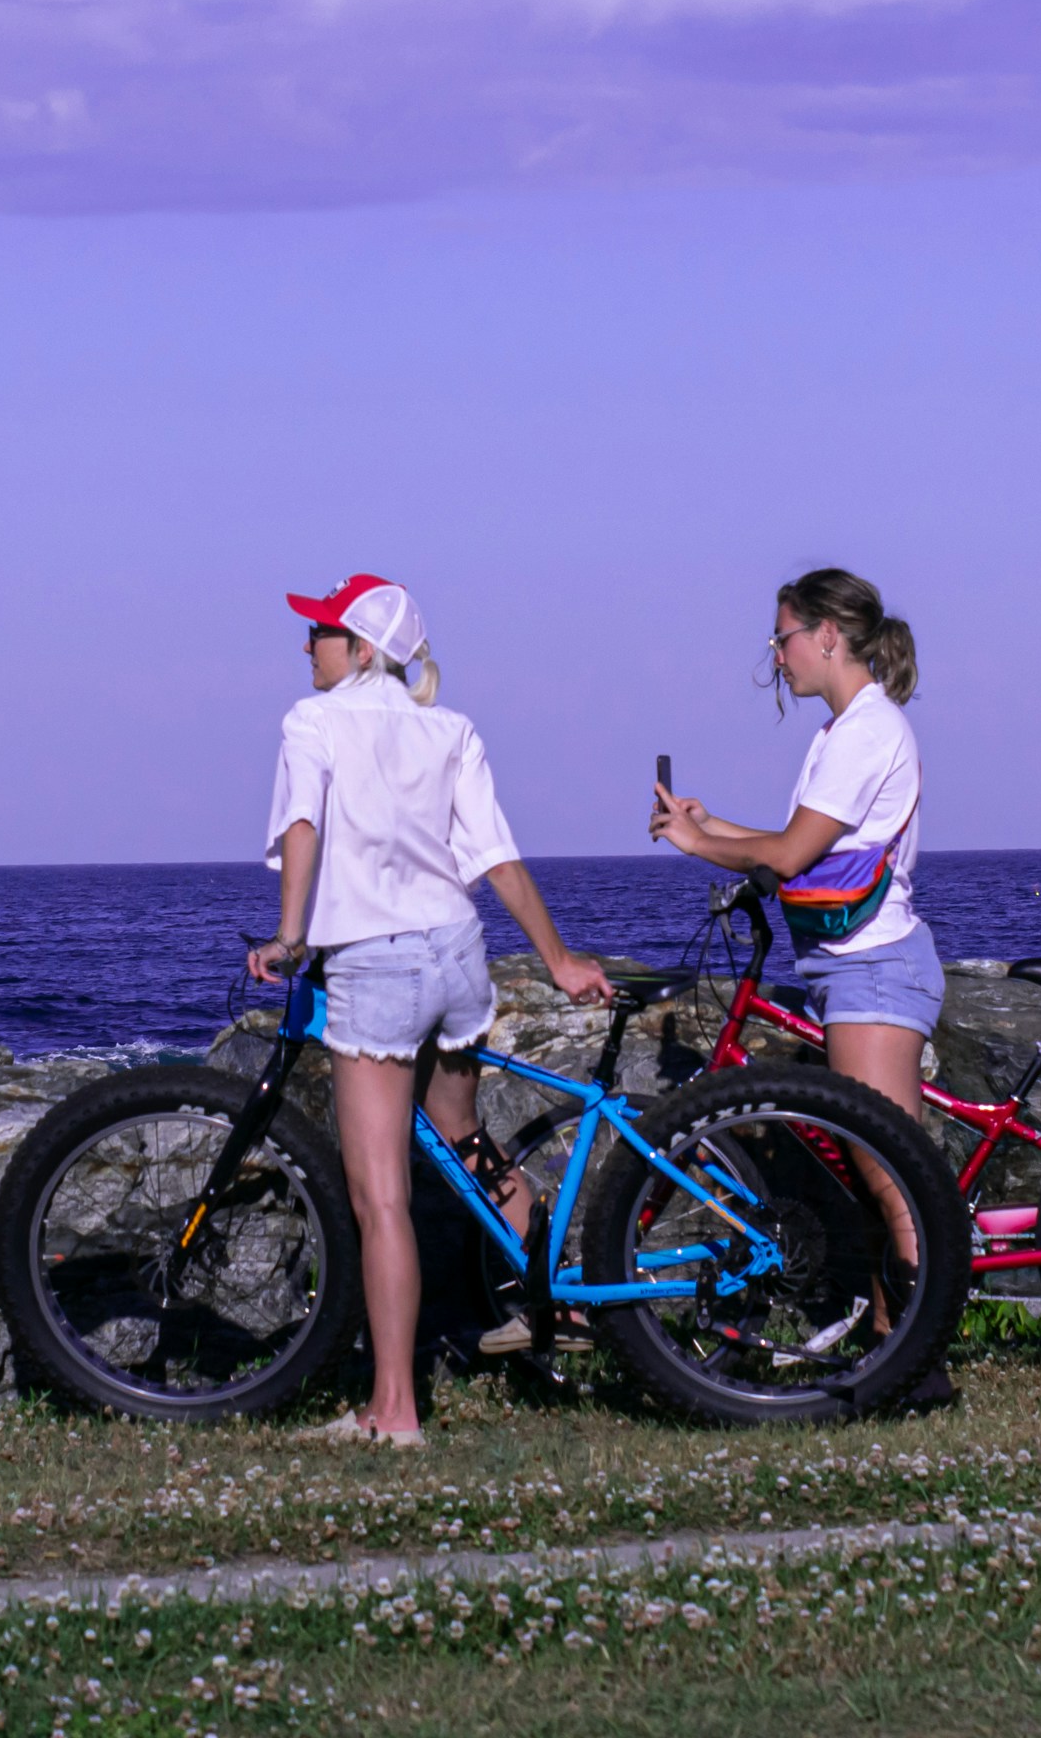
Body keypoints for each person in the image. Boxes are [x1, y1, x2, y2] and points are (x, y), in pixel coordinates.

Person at [248, 573, 610, 1448]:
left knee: (382, 1203)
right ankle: (553, 1301)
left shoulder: (314, 722)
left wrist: (290, 938)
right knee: (465, 1139)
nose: (307, 646)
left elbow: (303, 828)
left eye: (322, 632)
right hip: (455, 954)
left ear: (362, 650)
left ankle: (394, 1413)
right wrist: (559, 960)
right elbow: (497, 860)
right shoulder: (450, 729)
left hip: (374, 962)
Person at [645, 568, 938, 1254]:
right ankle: (890, 1343)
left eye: (783, 639)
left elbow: (788, 857)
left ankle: (924, 1358)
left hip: (873, 969)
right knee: (875, 1171)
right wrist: (710, 823)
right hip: (851, 969)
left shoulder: (868, 731)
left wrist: (696, 845)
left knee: (890, 1172)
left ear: (827, 635)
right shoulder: (841, 733)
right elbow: (799, 845)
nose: (777, 657)